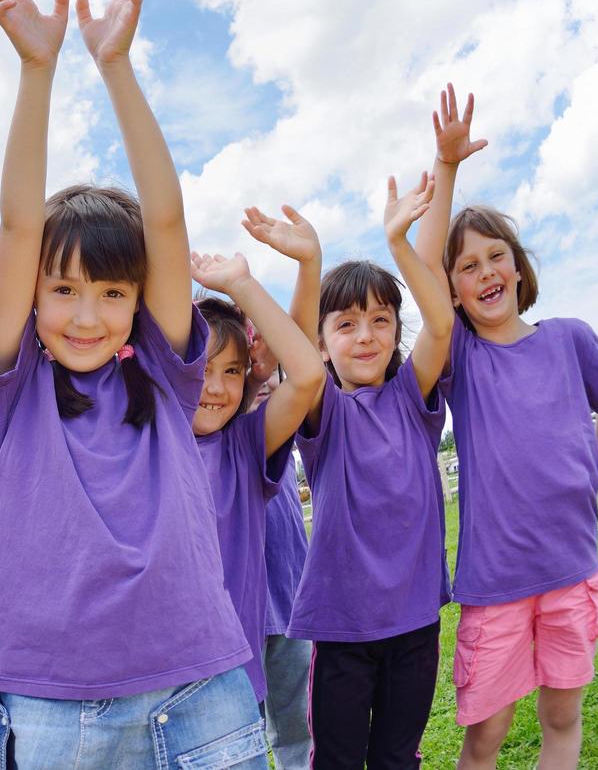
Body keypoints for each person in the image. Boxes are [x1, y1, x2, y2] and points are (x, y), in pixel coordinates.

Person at [0, 0, 265, 769]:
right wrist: (37, 70)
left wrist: (117, 67)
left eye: (111, 292)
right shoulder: (10, 383)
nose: (85, 316)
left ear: (139, 302)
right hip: (54, 698)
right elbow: (19, 223)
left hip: (196, 684)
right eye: (61, 291)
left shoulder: (166, 374)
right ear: (32, 296)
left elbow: (165, 219)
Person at [410, 85, 598, 770]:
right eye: (467, 267)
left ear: (518, 263)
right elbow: (420, 271)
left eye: (495, 256)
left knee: (562, 718)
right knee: (486, 738)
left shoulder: (571, 338)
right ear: (454, 290)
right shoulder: (461, 359)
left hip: (571, 570)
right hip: (495, 584)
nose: (486, 272)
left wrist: (595, 469)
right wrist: (445, 169)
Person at [288, 169, 453, 770]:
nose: (365, 335)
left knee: (396, 758)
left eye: (380, 320)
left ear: (394, 334)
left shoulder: (414, 398)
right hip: (342, 629)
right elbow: (296, 353)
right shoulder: (323, 410)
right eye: (346, 324)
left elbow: (441, 324)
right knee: (336, 759)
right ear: (325, 343)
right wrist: (310, 265)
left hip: (415, 623)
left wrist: (400, 244)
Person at [188, 208, 326, 708]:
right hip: (155, 682)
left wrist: (243, 286)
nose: (215, 387)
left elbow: (307, 374)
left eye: (231, 371)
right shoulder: (146, 440)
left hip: (231, 687)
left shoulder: (244, 446)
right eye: (201, 368)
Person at [238, 207, 319, 769]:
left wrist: (307, 267)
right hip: (231, 624)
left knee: (297, 741)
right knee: (234, 745)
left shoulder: (273, 423)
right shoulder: (220, 437)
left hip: (290, 605)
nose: (255, 359)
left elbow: (302, 355)